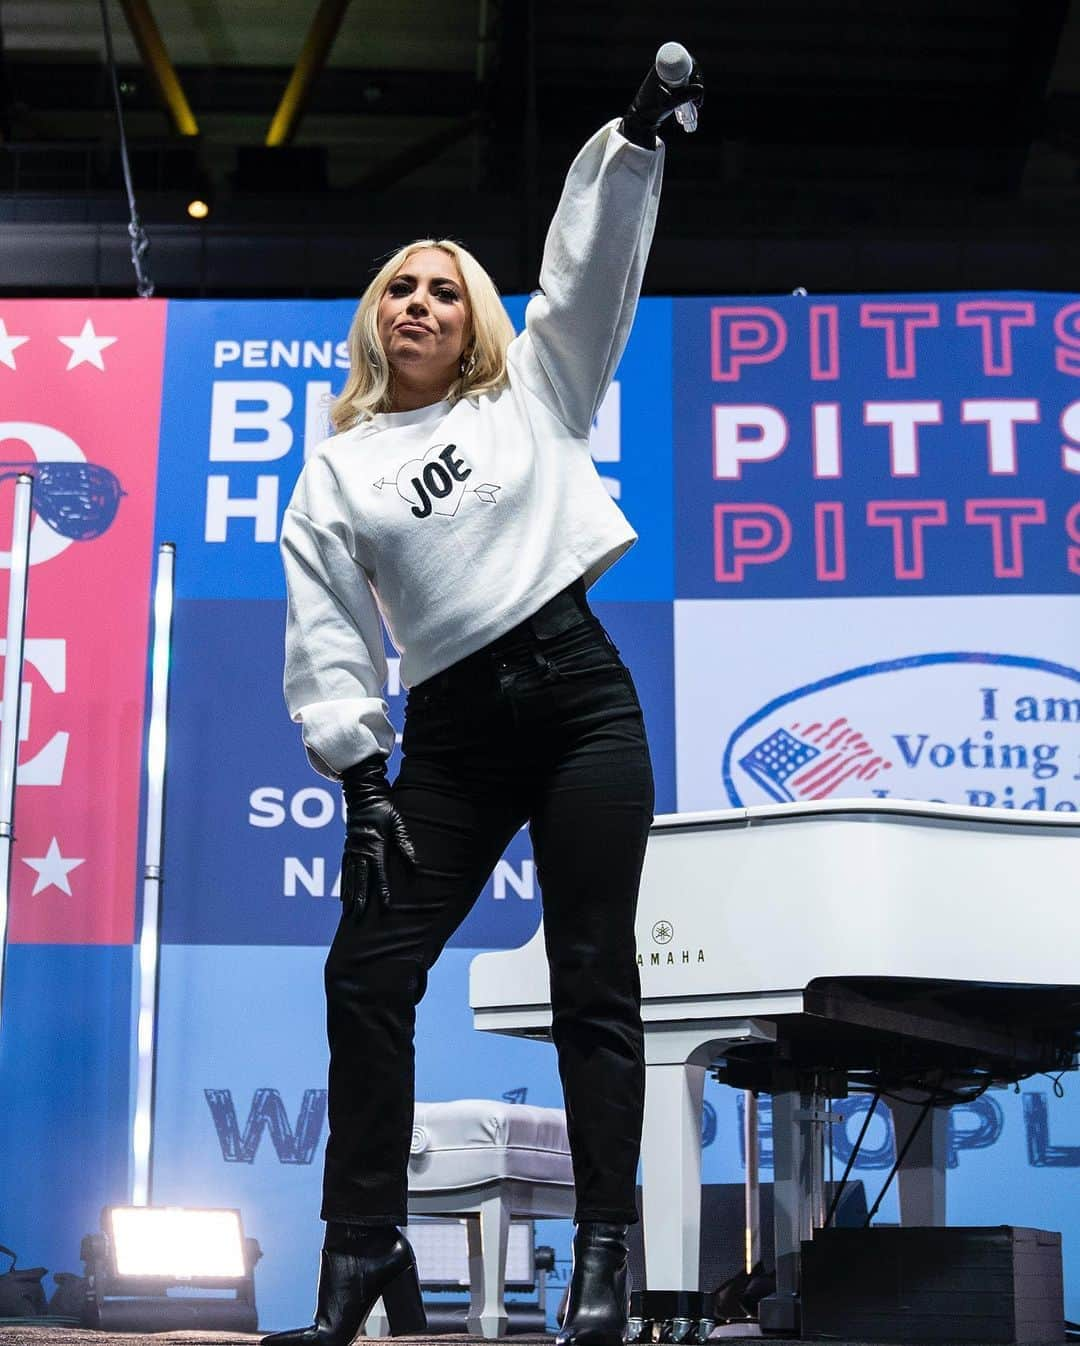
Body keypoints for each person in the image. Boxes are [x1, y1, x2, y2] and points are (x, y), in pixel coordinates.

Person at [265, 51, 704, 1346]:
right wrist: (358, 778)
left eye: (443, 288)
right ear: (371, 317)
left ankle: (605, 1261)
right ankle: (363, 1247)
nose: (417, 300)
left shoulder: (535, 396)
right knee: (366, 972)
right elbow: (327, 627)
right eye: (398, 285)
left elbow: (586, 275)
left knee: (593, 983)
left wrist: (630, 147)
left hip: (579, 701)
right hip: (450, 738)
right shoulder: (337, 470)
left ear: (472, 321)